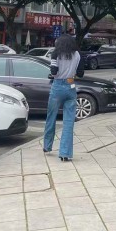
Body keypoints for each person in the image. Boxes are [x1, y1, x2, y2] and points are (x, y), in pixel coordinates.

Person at [43, 34, 81, 162]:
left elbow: (53, 72)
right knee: (69, 122)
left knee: (51, 117)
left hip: (57, 87)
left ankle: (47, 146)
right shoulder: (77, 54)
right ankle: (65, 154)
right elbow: (80, 73)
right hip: (71, 86)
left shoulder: (55, 54)